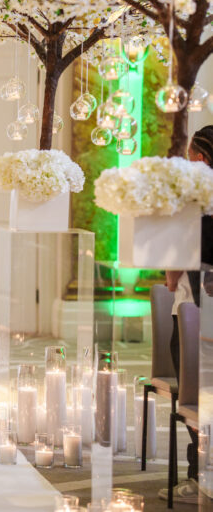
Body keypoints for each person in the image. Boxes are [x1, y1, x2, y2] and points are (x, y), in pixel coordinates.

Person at [160, 125, 213, 503]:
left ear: (199, 158)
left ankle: (201, 475)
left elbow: (172, 273)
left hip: (194, 309)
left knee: (194, 395)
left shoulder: (193, 199)